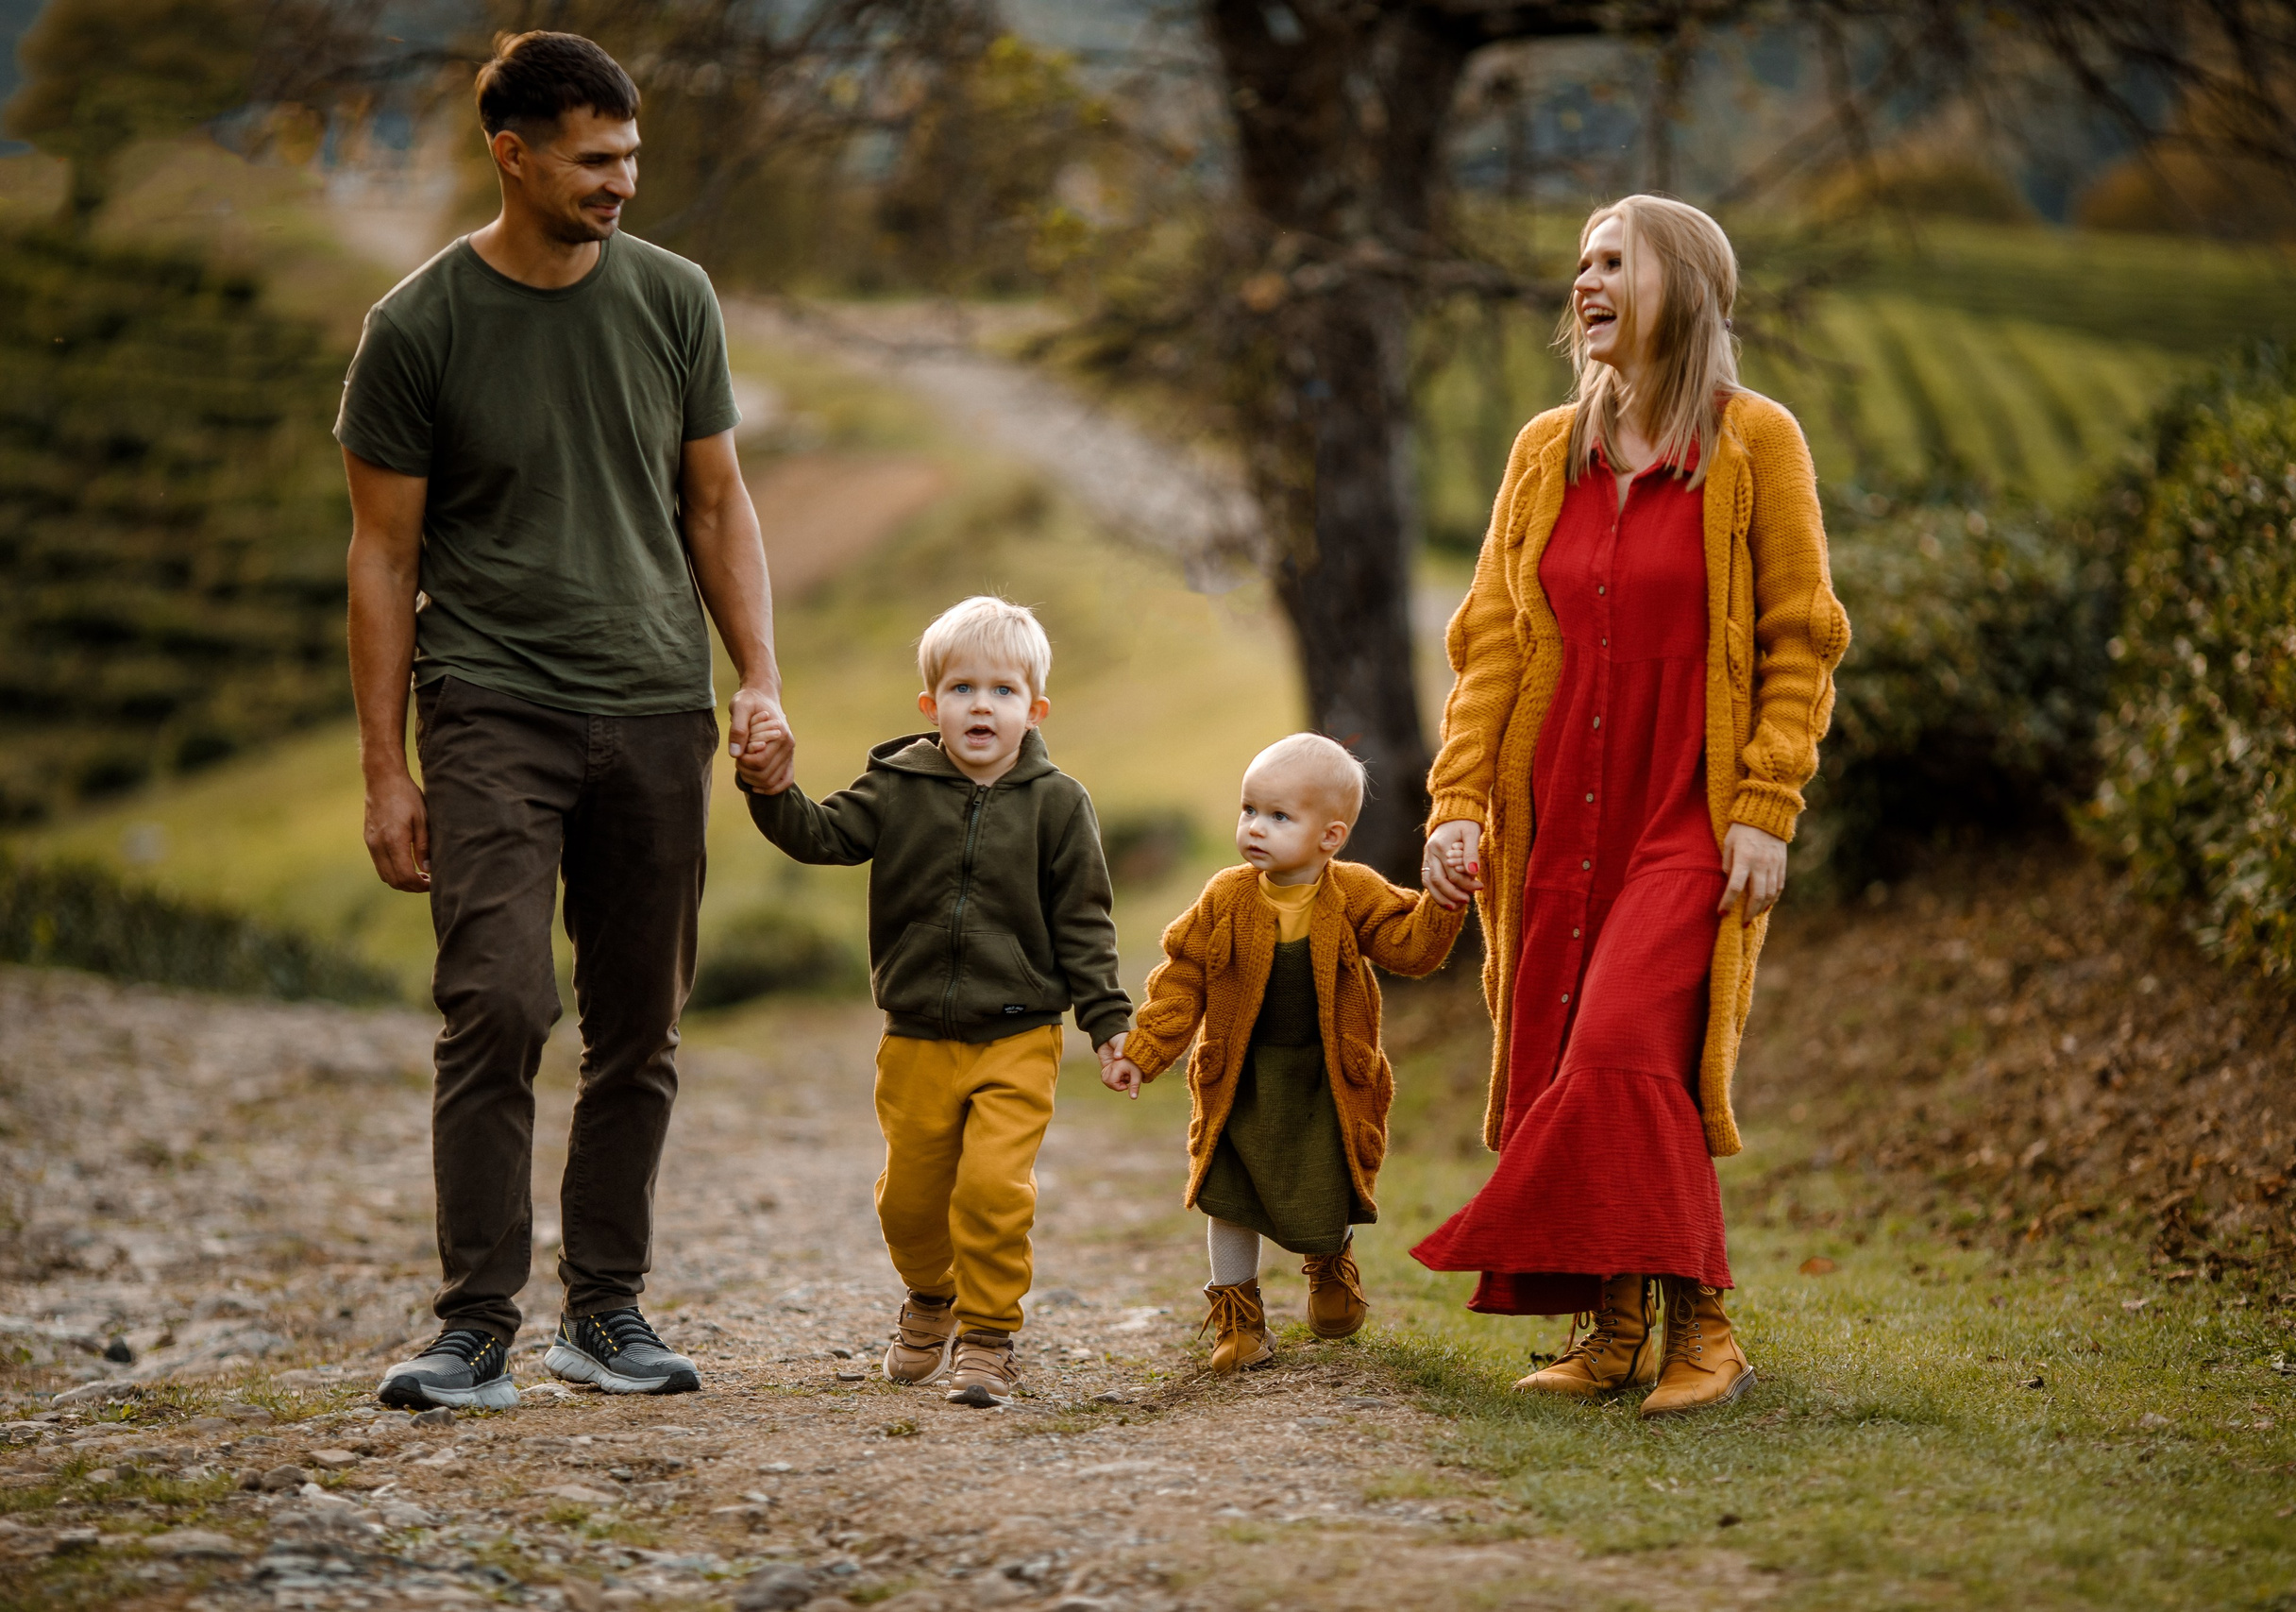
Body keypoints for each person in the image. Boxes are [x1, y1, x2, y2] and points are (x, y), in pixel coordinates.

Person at [343, 31, 795, 1411]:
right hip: (489, 705)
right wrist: (385, 770)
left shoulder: (674, 297)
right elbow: (379, 555)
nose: (622, 181)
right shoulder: (417, 326)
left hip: (657, 704)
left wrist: (758, 676)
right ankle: (473, 1321)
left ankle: (605, 1312)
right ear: (515, 153)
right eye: (596, 159)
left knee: (639, 1023)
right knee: (496, 999)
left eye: (633, 156)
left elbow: (716, 502)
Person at [1410, 195, 1851, 1417]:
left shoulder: (1757, 443)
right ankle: (1611, 1327)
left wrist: (1765, 801)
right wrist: (1457, 799)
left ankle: (1704, 1327)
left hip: (1687, 810)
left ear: (1686, 286)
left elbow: (1801, 639)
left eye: (1616, 261)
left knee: (1621, 1047)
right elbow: (1490, 643)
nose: (1586, 282)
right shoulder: (1545, 450)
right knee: (1567, 1052)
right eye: (1580, 265)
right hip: (1553, 811)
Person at [745, 597, 1131, 1408]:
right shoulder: (898, 785)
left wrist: (1106, 1023)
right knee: (909, 1202)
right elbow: (820, 835)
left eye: (1001, 690)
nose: (980, 705)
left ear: (1035, 707)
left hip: (1019, 1034)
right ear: (931, 705)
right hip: (915, 1034)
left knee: (994, 1188)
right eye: (961, 688)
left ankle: (988, 1341)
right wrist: (769, 788)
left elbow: (1085, 923)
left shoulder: (1059, 803)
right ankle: (931, 1298)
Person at [1104, 735, 1462, 1373]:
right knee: (1227, 1192)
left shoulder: (1352, 891)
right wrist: (1145, 1048)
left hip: (1324, 1077)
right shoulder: (1225, 895)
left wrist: (1442, 903)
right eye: (1248, 810)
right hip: (1242, 1077)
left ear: (1330, 836)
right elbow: (1182, 976)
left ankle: (1329, 1265)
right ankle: (1239, 1317)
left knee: (1324, 1180)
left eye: (1278, 816)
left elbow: (1411, 946)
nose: (1255, 828)